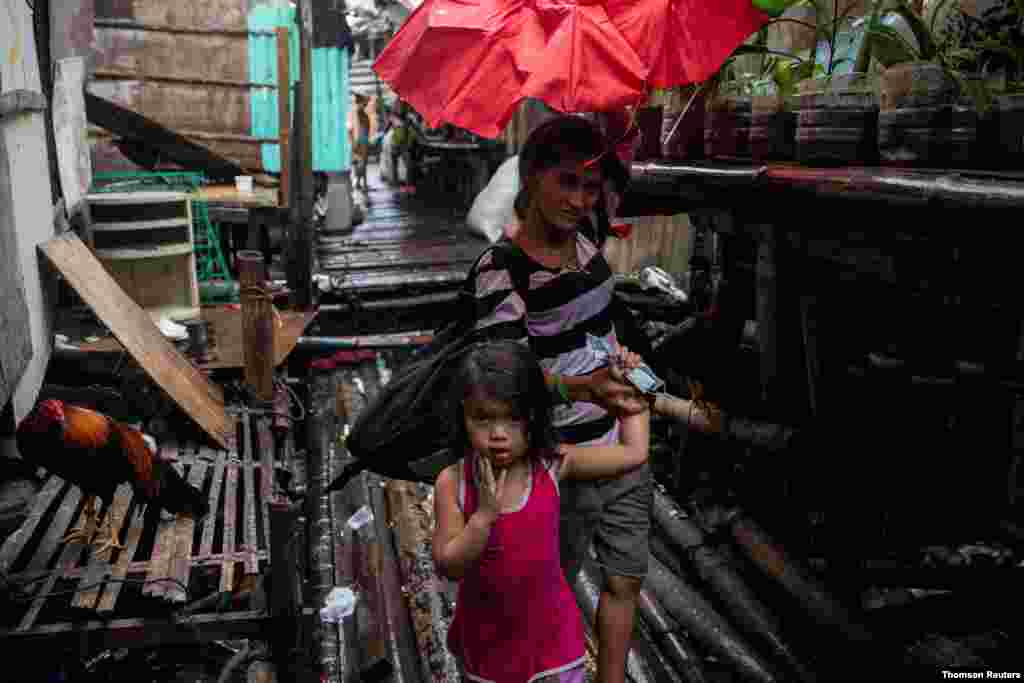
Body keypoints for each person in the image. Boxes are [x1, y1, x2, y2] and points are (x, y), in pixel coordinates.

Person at [463, 115, 652, 683]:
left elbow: (621, 161)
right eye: (565, 182)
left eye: (589, 187)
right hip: (557, 460)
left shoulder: (592, 232)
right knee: (549, 587)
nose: (578, 199)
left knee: (624, 580)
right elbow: (504, 382)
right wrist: (579, 387)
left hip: (620, 434)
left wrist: (615, 372)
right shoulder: (502, 269)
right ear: (530, 177)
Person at [434, 341, 651, 683]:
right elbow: (448, 565)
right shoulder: (453, 482)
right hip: (488, 644)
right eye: (483, 419)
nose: (498, 435)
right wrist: (483, 517)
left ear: (535, 414)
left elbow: (632, 452)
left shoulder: (550, 466)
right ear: (463, 414)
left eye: (513, 418)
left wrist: (635, 401)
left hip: (554, 640)